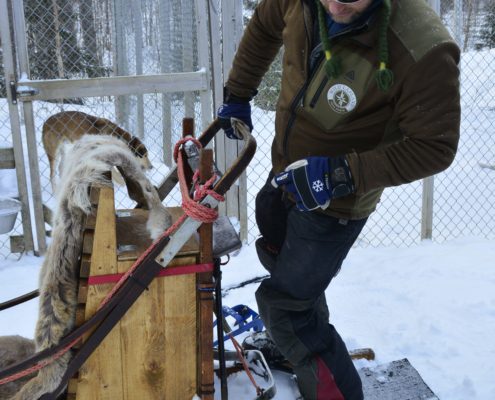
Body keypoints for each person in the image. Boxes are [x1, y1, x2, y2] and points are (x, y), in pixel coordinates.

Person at [218, 0, 460, 398]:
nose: (334, 4)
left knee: (286, 310)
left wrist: (340, 174)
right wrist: (239, 91)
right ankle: (295, 351)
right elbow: (263, 25)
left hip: (338, 205)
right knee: (283, 260)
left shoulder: (421, 46)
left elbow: (436, 146)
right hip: (287, 174)